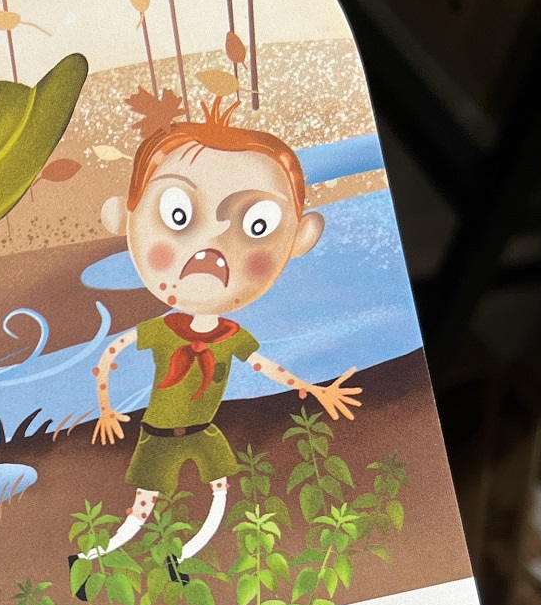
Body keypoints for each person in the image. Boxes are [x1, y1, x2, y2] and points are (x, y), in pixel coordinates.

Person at [83, 99, 360, 564]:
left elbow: (264, 367)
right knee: (142, 507)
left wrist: (315, 389)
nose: (210, 245)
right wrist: (107, 409)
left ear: (299, 239)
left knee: (219, 495)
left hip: (204, 431)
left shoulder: (230, 336)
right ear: (123, 218)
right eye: (177, 214)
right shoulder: (162, 331)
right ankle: (95, 556)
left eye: (257, 225)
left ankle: (182, 557)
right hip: (157, 433)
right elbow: (111, 354)